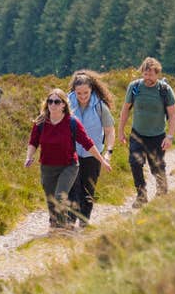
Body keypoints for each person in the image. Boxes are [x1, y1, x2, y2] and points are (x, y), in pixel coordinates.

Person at [25, 88, 112, 229]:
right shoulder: (40, 122)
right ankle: (55, 222)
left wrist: (102, 160)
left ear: (64, 104)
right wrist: (29, 157)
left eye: (56, 102)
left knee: (60, 197)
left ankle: (62, 228)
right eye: (50, 101)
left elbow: (87, 143)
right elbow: (33, 142)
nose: (53, 105)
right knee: (51, 199)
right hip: (47, 166)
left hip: (68, 166)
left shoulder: (72, 122)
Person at [117, 57, 175, 208]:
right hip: (137, 134)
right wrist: (121, 131)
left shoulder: (164, 90)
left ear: (157, 74)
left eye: (151, 74)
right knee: (135, 163)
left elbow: (173, 114)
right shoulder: (135, 87)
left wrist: (169, 136)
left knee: (157, 167)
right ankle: (141, 195)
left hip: (157, 136)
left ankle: (162, 194)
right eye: (145, 73)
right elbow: (125, 109)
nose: (148, 77)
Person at [66, 70, 115, 227]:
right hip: (71, 154)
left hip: (93, 155)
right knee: (72, 187)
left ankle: (84, 221)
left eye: (85, 93)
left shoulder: (100, 106)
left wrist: (109, 152)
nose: (82, 96)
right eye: (79, 93)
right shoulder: (66, 103)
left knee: (88, 189)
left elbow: (109, 130)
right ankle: (70, 220)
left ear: (91, 90)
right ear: (74, 91)